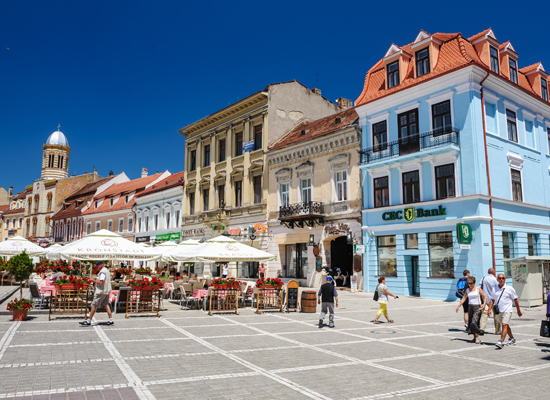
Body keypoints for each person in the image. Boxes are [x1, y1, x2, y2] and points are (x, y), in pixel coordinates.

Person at [488, 274, 522, 349]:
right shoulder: (495, 288)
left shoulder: (510, 288)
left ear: (505, 279)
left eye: (503, 278)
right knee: (505, 325)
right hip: (499, 310)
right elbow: (492, 299)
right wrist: (489, 309)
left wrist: (518, 310)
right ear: (497, 279)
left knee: (504, 325)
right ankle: (512, 339)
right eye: (500, 278)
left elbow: (515, 300)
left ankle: (501, 341)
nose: (501, 279)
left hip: (507, 310)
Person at [80, 261, 114, 326]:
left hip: (101, 292)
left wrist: (94, 281)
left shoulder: (102, 272)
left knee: (93, 305)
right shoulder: (106, 271)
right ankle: (110, 320)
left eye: (97, 266)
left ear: (101, 265)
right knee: (105, 305)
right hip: (105, 291)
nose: (97, 268)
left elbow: (101, 282)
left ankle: (88, 321)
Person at [456, 276, 487, 344]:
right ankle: (474, 337)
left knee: (474, 322)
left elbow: (485, 297)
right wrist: (458, 306)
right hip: (470, 307)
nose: (470, 285)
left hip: (477, 307)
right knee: (470, 323)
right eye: (469, 283)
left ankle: (478, 336)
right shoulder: (467, 290)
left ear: (474, 282)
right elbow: (464, 298)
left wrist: (484, 304)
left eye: (471, 283)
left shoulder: (478, 289)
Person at [479, 268, 499, 335]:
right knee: (496, 315)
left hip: (485, 300)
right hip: (494, 300)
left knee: (484, 314)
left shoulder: (483, 278)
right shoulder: (495, 280)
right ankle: (498, 330)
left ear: (488, 272)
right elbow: (498, 289)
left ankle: (482, 328)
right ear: (494, 272)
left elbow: (479, 287)